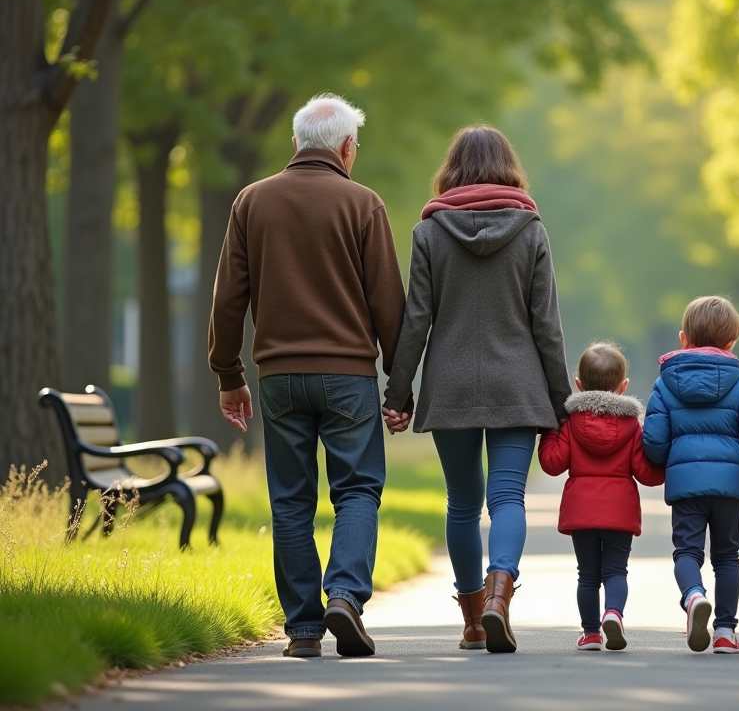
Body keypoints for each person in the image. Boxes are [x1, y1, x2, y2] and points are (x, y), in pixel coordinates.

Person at [209, 94, 404, 659]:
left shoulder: (252, 201)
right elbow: (388, 303)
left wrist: (228, 373)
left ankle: (302, 629)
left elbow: (228, 298)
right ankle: (344, 595)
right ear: (346, 148)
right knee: (358, 489)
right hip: (348, 378)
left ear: (295, 144)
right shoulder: (363, 204)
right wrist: (399, 386)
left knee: (291, 502)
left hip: (279, 378)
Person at [383, 124, 572, 654]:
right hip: (519, 384)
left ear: (452, 170)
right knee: (508, 496)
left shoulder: (429, 233)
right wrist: (563, 402)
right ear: (509, 169)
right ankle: (499, 597)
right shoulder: (531, 231)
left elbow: (416, 319)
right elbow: (547, 327)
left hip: (450, 386)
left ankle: (472, 622)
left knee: (463, 503)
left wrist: (397, 394)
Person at [642, 296, 739, 655]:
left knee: (687, 551)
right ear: (731, 342)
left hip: (686, 486)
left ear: (683, 338)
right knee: (727, 557)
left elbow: (653, 441)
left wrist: (661, 460)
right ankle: (725, 632)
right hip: (729, 487)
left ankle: (693, 595)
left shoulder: (665, 383)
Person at [538, 342, 665, 652]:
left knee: (587, 575)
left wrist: (550, 430)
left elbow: (552, 463)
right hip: (620, 512)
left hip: (581, 512)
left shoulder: (571, 423)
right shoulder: (632, 425)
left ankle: (591, 633)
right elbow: (646, 473)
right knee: (616, 571)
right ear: (624, 386)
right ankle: (614, 614)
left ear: (578, 384)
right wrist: (665, 458)